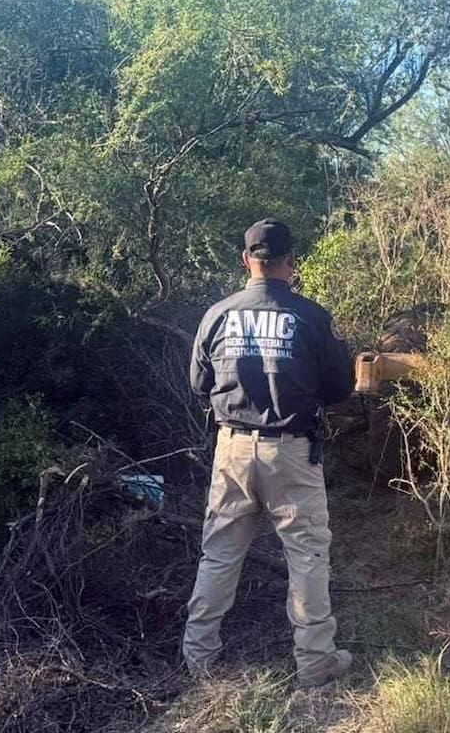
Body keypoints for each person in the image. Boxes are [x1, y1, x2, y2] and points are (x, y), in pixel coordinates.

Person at [183, 218, 355, 687]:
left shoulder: (217, 314)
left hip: (231, 451)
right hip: (292, 453)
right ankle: (315, 662)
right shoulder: (312, 317)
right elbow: (341, 388)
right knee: (306, 556)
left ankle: (198, 660)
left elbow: (199, 384)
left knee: (218, 555)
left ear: (246, 261)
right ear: (291, 263)